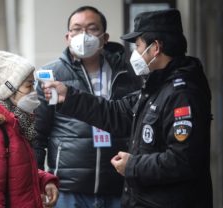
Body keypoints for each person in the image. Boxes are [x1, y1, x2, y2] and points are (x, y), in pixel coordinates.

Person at [41, 9, 213, 208]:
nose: (135, 53)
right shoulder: (156, 86)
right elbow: (116, 113)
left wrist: (132, 166)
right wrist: (69, 97)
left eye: (138, 45)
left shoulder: (182, 94)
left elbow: (182, 160)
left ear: (155, 48)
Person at [33, 6, 142, 208]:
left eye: (92, 28)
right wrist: (38, 180)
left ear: (105, 37)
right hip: (67, 190)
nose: (83, 35)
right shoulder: (50, 75)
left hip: (119, 186)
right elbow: (38, 135)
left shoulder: (128, 73)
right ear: (67, 36)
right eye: (76, 29)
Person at [0, 46, 59, 208]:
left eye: (33, 84)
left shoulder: (14, 125)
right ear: (9, 90)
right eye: (28, 86)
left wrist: (44, 181)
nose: (34, 91)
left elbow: (17, 171)